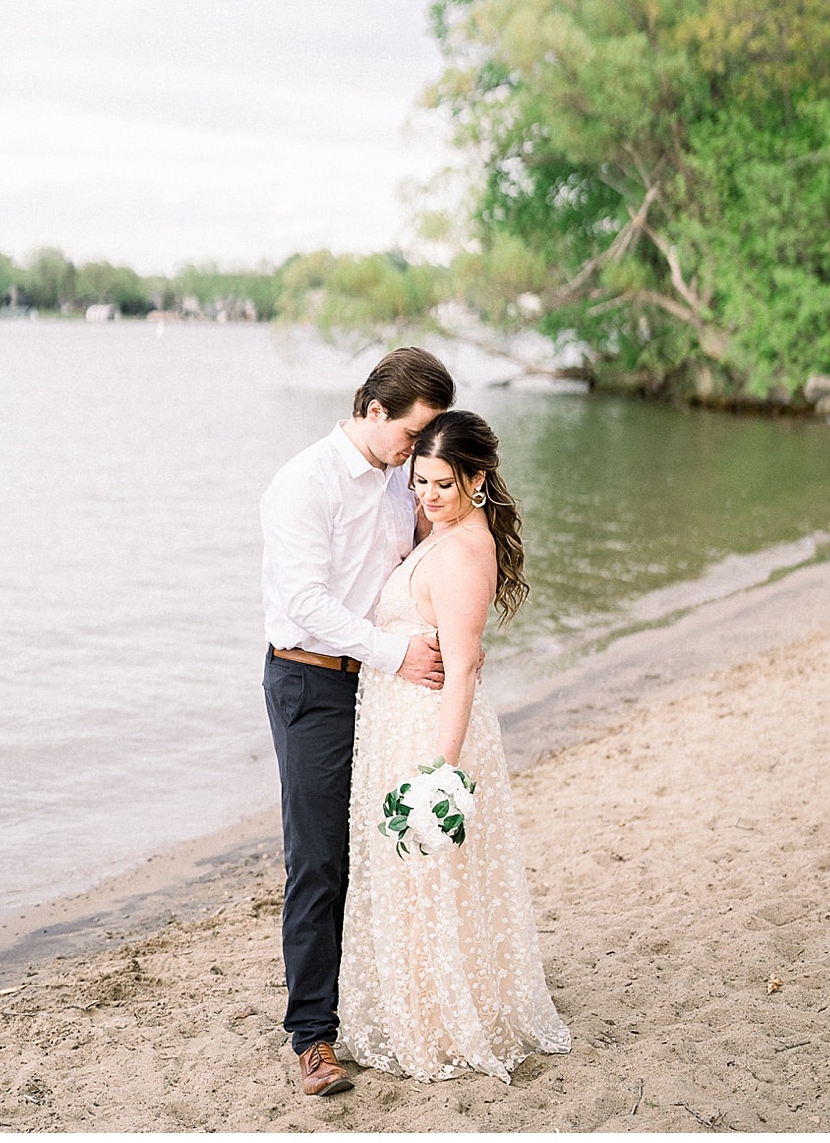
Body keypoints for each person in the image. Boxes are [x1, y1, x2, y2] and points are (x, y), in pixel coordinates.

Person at [337, 409, 571, 1082]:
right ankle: (423, 1007)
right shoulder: (442, 534)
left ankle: (442, 1020)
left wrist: (442, 765)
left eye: (441, 484)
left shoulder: (466, 550)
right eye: (419, 483)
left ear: (476, 481)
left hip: (430, 729)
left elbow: (464, 666)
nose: (427, 497)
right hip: (400, 719)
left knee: (433, 880)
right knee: (414, 882)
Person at [261, 346, 456, 1097]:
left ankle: (387, 1005)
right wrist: (396, 653)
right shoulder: (303, 484)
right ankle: (312, 1036)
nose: (418, 453)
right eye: (413, 436)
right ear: (375, 412)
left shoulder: (400, 480)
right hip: (309, 682)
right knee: (317, 859)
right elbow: (306, 604)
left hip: (383, 683)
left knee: (384, 850)